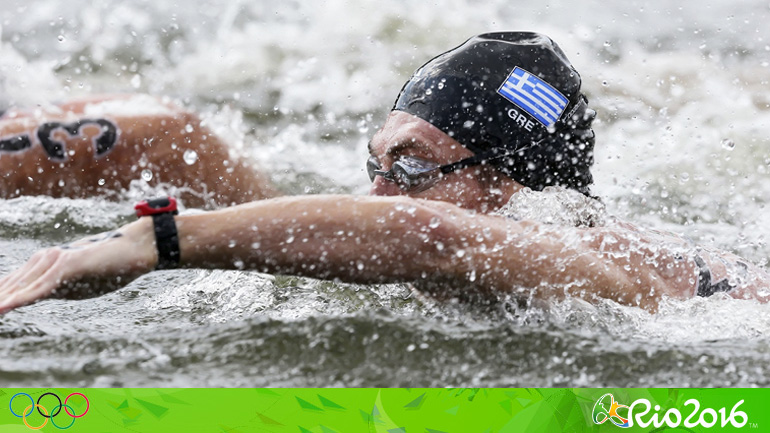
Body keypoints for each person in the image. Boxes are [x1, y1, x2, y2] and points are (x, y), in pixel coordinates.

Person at [0, 31, 767, 314]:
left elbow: (431, 236)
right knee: (170, 139)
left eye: (412, 165)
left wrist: (156, 241)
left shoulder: (601, 263)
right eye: (376, 162)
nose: (379, 192)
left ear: (510, 183)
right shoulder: (510, 234)